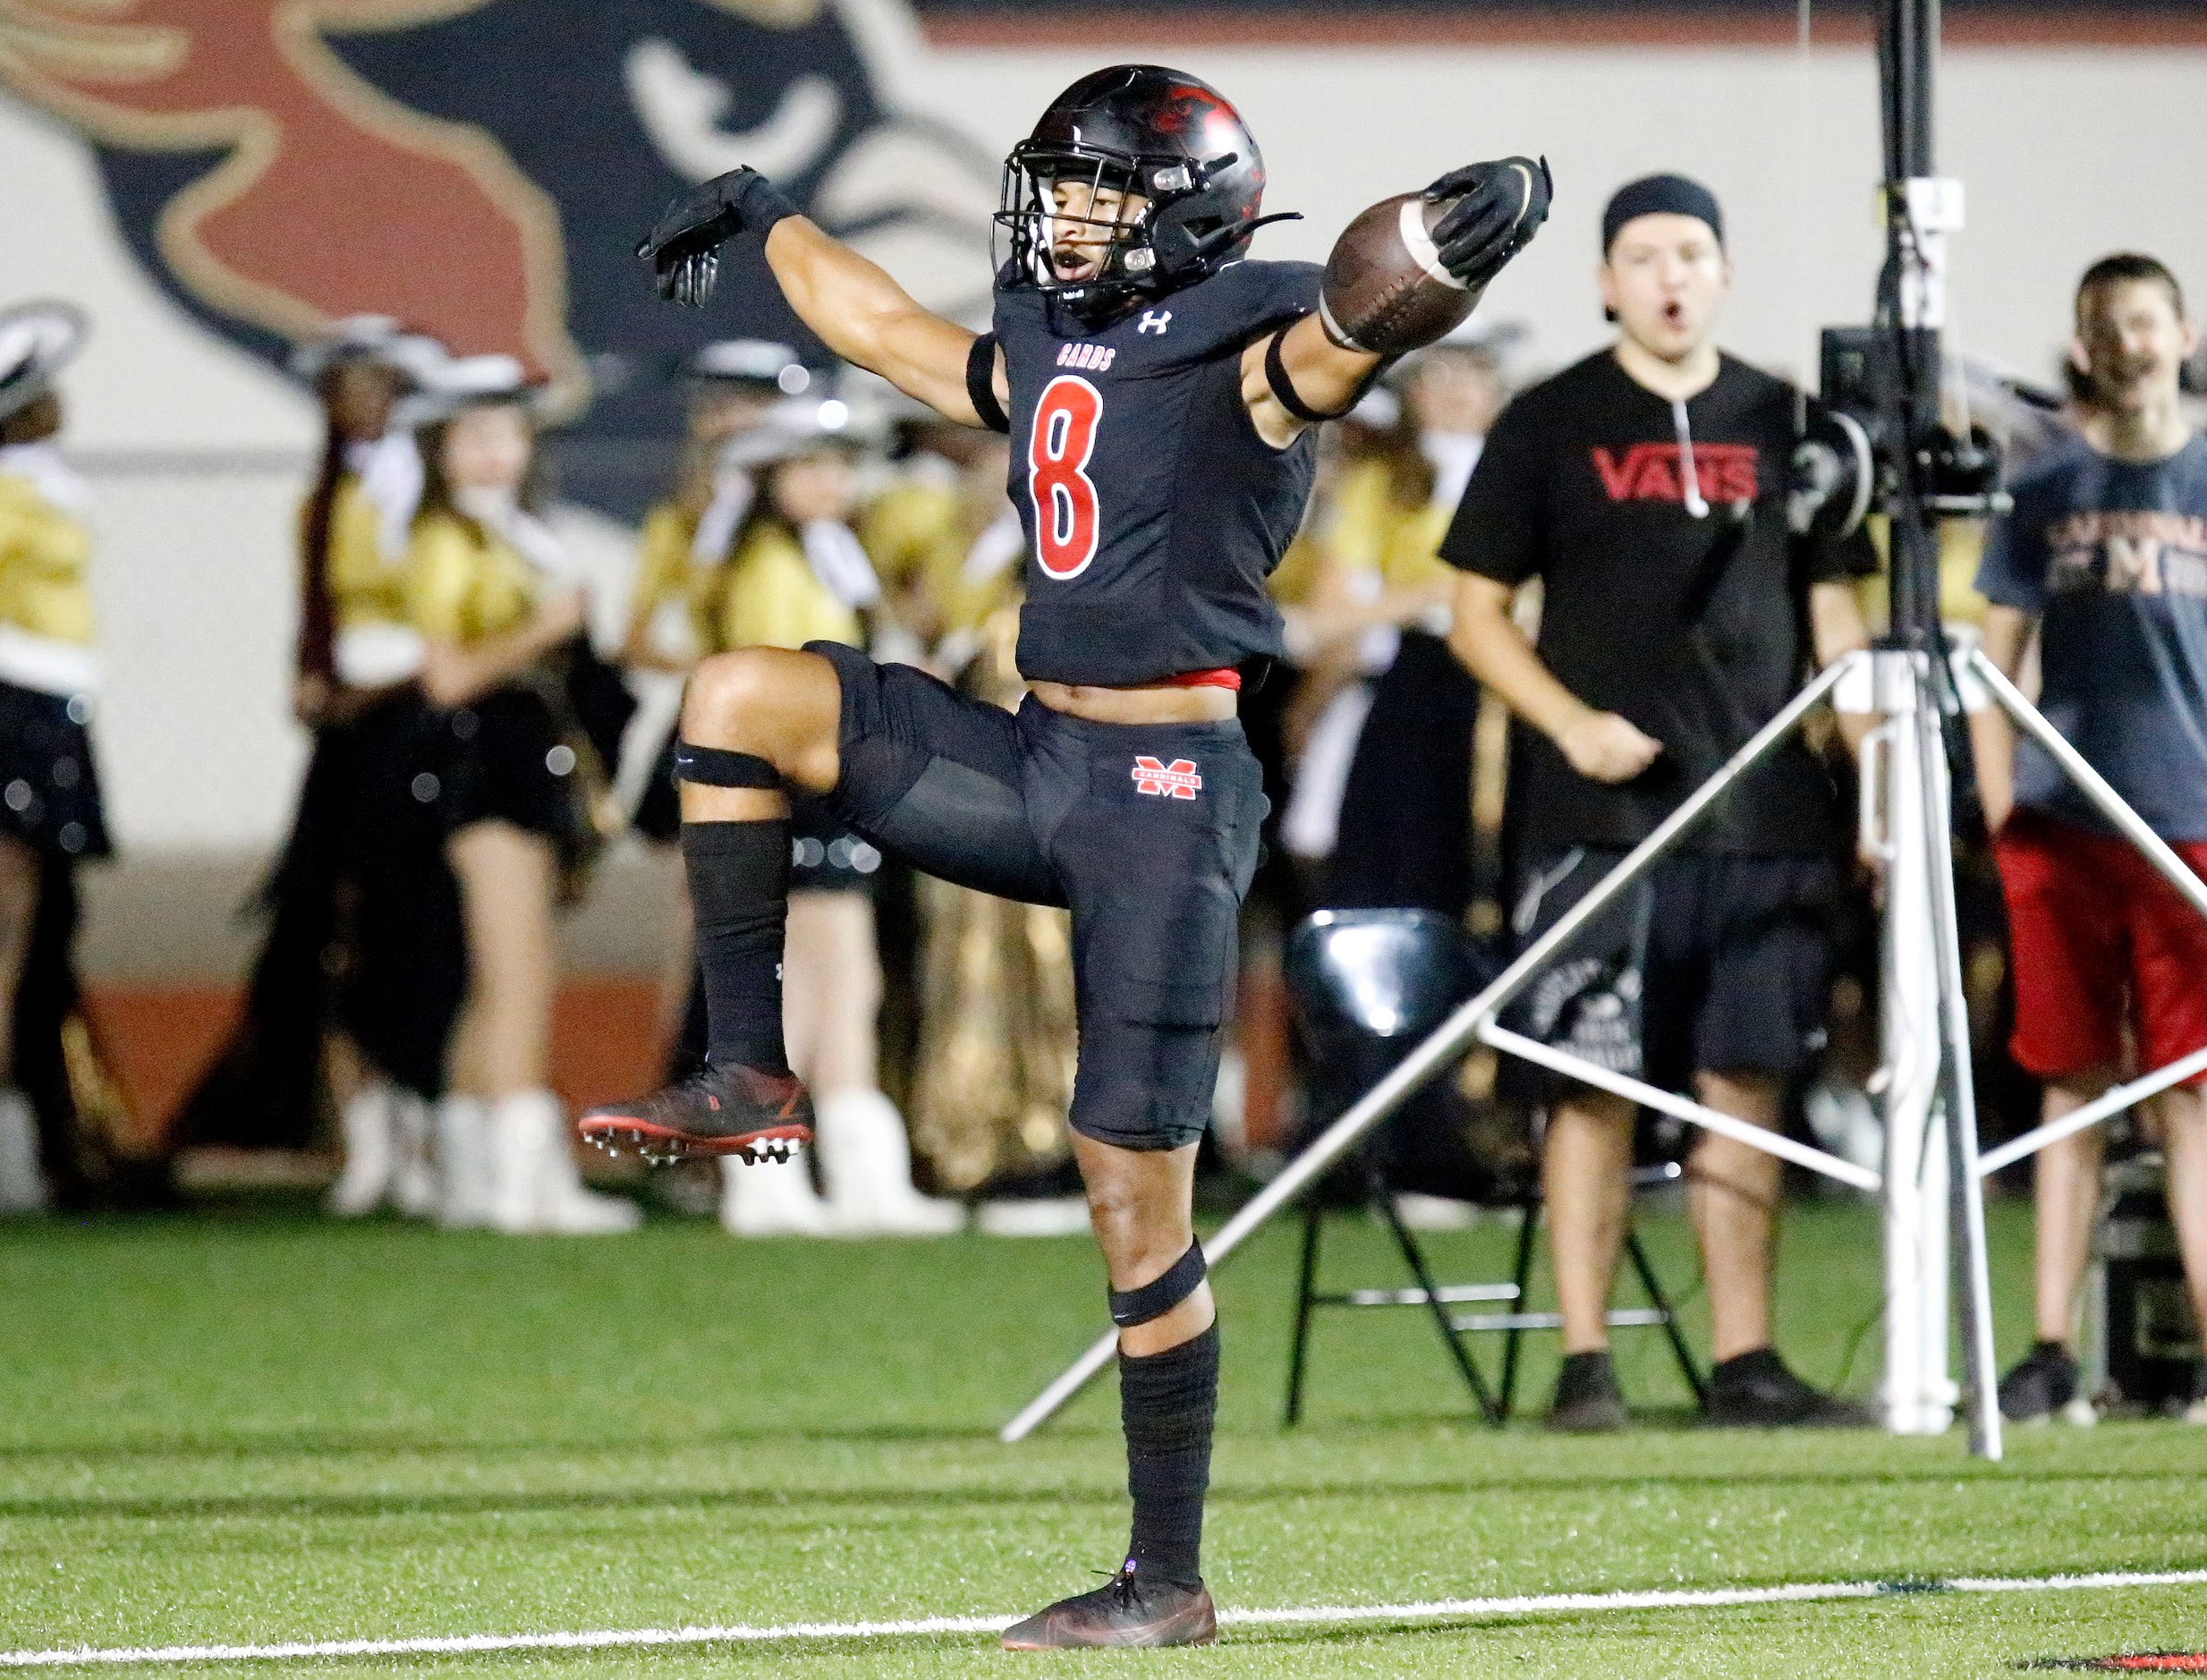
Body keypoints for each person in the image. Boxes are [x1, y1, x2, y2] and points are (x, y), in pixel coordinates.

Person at [585, 64, 1548, 1647]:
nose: (1059, 215)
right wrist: (767, 212)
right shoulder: (1052, 334)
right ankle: (748, 1069)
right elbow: (886, 333)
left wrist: (1447, 246)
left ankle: (1165, 1573)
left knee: (1131, 1203)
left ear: (1182, 212)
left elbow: (1355, 327)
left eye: (1094, 188)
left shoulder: (1247, 341)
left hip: (1167, 793)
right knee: (740, 691)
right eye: (1060, 184)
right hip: (1035, 755)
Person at [1444, 174, 1876, 1431]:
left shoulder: (1788, 418)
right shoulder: (1548, 420)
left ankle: (1743, 1358)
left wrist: (1872, 781)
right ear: (1603, 279)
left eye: (1691, 251)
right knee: (1588, 1083)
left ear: (1723, 270)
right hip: (1599, 824)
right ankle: (1586, 1363)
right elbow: (1472, 613)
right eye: (1644, 256)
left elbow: (1834, 612)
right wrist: (1570, 725)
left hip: (1764, 815)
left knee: (1741, 1079)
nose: (1669, 276)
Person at [1974, 253, 2207, 1426]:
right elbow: (1992, 654)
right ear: (2079, 347)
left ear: (2178, 332)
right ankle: (2050, 1344)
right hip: (2063, 825)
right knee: (2068, 1082)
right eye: (2099, 327)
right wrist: (1988, 796)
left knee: (2186, 1092)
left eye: (2140, 322)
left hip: (2189, 829)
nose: (2122, 344)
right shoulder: (2043, 488)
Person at [174, 316, 463, 1215]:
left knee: (422, 924)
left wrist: (364, 696)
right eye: (340, 388)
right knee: (338, 928)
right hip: (351, 736)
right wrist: (311, 683)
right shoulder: (328, 492)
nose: (354, 403)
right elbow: (319, 609)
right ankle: (364, 1131)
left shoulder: (429, 492)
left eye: (369, 384)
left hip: (412, 721)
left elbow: (445, 623)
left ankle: (428, 1127)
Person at [402, 355, 640, 1235]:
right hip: (483, 757)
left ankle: (472, 1170)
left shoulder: (508, 530)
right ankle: (519, 1181)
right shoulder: (441, 537)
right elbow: (446, 675)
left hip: (521, 751)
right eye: (474, 436)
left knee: (509, 969)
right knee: (517, 971)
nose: (497, 452)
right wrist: (540, 630)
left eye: (507, 433)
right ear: (439, 448)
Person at [624, 340, 811, 1081]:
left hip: (804, 729)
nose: (735, 418)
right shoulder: (683, 521)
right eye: (723, 402)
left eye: (754, 402)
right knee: (704, 921)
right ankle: (689, 1085)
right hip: (719, 733)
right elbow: (636, 637)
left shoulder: (816, 511)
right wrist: (724, 673)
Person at [0, 301, 102, 1213]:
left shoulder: (39, 486)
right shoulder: (11, 493)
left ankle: (33, 1136)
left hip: (45, 714)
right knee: (8, 934)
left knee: (37, 935)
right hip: (13, 714)